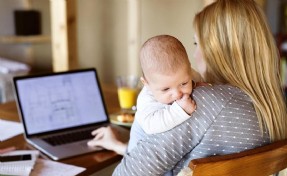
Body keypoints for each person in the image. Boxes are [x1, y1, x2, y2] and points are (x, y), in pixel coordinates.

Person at [93, 0, 287, 175]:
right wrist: (122, 147)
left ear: (217, 50)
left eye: (197, 43)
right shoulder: (274, 104)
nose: (194, 55)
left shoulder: (202, 103)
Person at [88, 35, 200, 155]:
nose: (177, 94)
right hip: (139, 152)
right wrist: (181, 110)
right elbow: (151, 126)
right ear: (146, 83)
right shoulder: (146, 99)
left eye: (183, 83)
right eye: (166, 89)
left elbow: (197, 78)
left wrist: (199, 84)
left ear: (188, 68)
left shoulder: (185, 73)